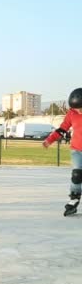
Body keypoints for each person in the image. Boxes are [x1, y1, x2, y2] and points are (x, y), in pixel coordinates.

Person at [43, 88, 82, 216]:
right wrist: (50, 140)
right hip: (77, 150)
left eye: (80, 108)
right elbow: (62, 129)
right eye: (76, 108)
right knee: (76, 175)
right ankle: (74, 199)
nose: (78, 111)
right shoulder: (71, 113)